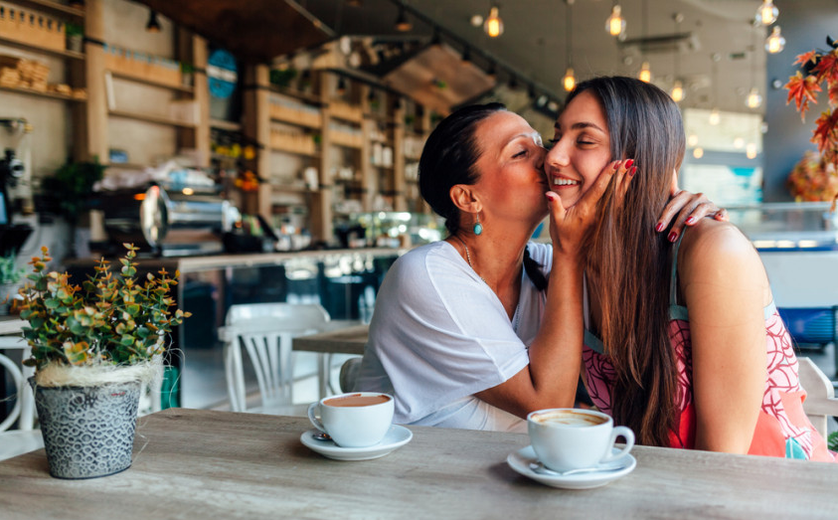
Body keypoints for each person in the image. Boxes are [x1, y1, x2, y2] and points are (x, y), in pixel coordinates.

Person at [355, 101, 725, 432]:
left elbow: (637, 281)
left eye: (540, 142)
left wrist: (678, 208)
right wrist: (568, 251)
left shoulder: (543, 265)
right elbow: (547, 404)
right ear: (468, 197)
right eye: (519, 152)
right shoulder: (426, 274)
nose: (548, 157)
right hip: (413, 487)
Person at [548, 76, 835, 461]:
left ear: (640, 161)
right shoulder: (575, 264)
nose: (553, 156)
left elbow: (722, 463)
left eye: (584, 141)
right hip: (657, 491)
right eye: (556, 137)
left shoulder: (713, 251)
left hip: (767, 496)